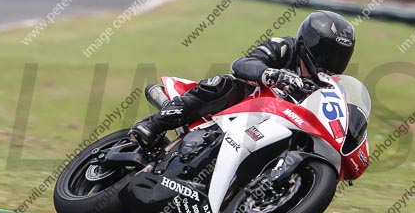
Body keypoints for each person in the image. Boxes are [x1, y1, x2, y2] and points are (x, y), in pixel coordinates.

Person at [129, 10, 356, 149]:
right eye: (327, 53)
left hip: (274, 129)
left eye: (339, 56)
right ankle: (154, 124)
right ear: (310, 44)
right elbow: (242, 64)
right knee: (226, 83)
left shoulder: (330, 85)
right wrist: (270, 74)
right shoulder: (285, 47)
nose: (331, 62)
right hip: (242, 109)